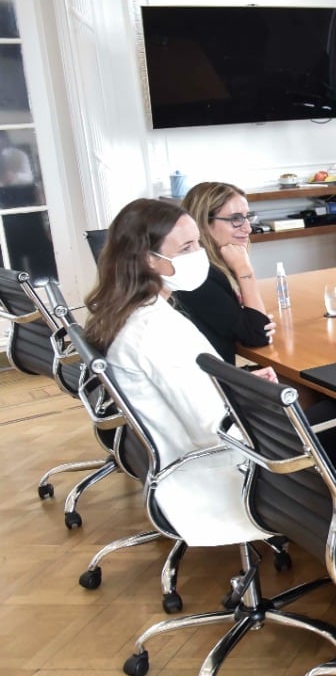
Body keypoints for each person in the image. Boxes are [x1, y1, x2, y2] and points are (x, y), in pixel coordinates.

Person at [83, 199, 270, 547]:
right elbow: (211, 428)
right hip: (215, 471)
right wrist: (255, 399)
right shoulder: (156, 330)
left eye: (198, 242)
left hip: (174, 454)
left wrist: (239, 384)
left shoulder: (127, 312)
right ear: (148, 260)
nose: (199, 253)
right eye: (186, 247)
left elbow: (189, 388)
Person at [172, 181, 274, 363]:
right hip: (212, 385)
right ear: (203, 224)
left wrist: (253, 320)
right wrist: (244, 269)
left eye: (247, 217)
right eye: (235, 219)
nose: (248, 228)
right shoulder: (198, 277)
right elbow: (257, 335)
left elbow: (251, 324)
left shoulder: (210, 268)